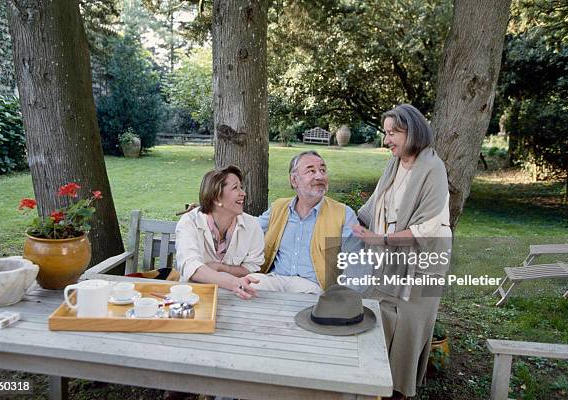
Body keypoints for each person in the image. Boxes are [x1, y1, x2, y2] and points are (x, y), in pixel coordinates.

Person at [352, 104, 451, 399]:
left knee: (408, 327)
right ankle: (373, 381)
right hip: (390, 256)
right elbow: (376, 204)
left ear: (414, 130)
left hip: (422, 261)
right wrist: (353, 222)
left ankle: (398, 390)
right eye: (386, 133)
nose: (387, 140)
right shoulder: (394, 164)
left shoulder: (433, 168)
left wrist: (380, 239)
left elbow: (427, 229)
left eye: (393, 132)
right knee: (379, 313)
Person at [248, 150, 358, 294]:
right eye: (311, 171)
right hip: (276, 280)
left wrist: (343, 296)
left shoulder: (343, 213)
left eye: (322, 170)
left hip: (314, 287)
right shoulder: (279, 207)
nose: (319, 176)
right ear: (294, 180)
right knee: (248, 284)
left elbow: (355, 259)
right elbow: (250, 229)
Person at [175, 165, 263, 300]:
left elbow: (252, 267)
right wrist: (232, 281)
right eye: (235, 188)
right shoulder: (189, 222)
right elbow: (190, 266)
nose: (243, 193)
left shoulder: (252, 225)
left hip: (237, 297)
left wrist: (221, 268)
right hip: (194, 296)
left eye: (241, 187)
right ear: (216, 199)